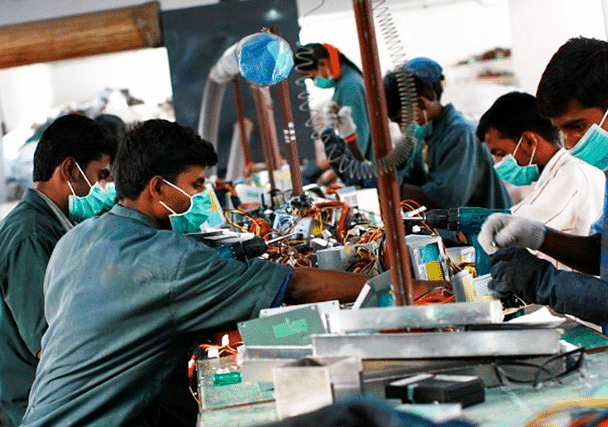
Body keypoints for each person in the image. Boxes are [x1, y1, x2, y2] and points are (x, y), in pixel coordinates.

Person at [20, 119, 373, 427]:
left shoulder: (75, 241)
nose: (203, 195)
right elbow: (296, 286)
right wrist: (392, 289)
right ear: (158, 188)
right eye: (197, 185)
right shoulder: (168, 259)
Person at [478, 37, 608, 348]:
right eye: (562, 129)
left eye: (578, 126)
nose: (569, 143)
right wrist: (540, 237)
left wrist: (556, 286)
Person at [0, 113, 116, 427]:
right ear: (69, 170)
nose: (104, 187)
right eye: (100, 175)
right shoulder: (31, 235)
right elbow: (49, 344)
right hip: (38, 401)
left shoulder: (59, 224)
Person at [476, 91, 605, 269]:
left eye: (500, 154)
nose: (497, 164)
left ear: (529, 141)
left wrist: (474, 227)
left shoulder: (569, 176)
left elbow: (511, 229)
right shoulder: (560, 173)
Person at [384, 57, 512, 210]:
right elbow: (411, 174)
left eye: (401, 119)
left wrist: (393, 187)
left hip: (486, 227)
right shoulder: (425, 132)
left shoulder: (461, 134)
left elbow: (447, 199)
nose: (401, 127)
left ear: (420, 103)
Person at [295, 43, 372, 184]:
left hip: (368, 172)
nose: (315, 81)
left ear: (322, 63)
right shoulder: (343, 84)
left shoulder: (350, 86)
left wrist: (320, 168)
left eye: (312, 77)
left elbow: (357, 143)